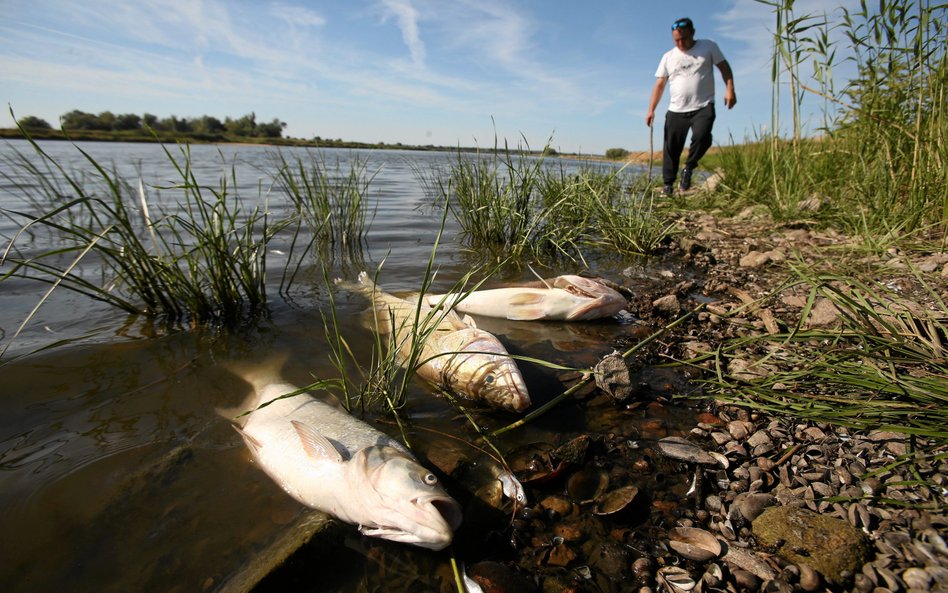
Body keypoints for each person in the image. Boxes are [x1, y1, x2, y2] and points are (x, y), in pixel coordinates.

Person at [645, 17, 736, 196]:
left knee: (703, 137)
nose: (680, 43)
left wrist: (730, 90)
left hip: (703, 105)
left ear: (693, 33)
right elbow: (660, 85)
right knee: (671, 147)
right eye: (676, 40)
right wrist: (651, 109)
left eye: (684, 38)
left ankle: (688, 168)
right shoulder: (668, 57)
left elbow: (724, 67)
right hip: (676, 109)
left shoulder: (708, 46)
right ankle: (668, 185)